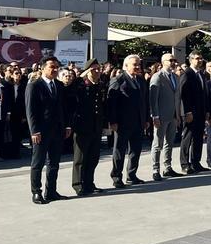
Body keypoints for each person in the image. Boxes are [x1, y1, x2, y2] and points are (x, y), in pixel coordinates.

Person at [25, 56, 71, 204]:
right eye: (52, 66)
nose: (55, 69)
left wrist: (67, 126)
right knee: (38, 163)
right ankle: (36, 192)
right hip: (41, 131)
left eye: (57, 66)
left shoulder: (58, 85)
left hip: (57, 130)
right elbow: (30, 110)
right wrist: (34, 130)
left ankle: (51, 191)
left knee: (54, 163)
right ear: (42, 67)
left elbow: (64, 108)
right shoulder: (34, 85)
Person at [106, 54, 149, 187]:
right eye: (134, 65)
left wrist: (146, 119)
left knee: (135, 150)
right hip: (122, 123)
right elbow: (111, 102)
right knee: (119, 150)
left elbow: (145, 102)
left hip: (138, 121)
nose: (137, 67)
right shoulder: (118, 80)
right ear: (126, 66)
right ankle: (116, 176)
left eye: (138, 64)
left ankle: (131, 175)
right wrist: (113, 121)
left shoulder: (141, 80)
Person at [71, 59, 107, 196]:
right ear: (88, 71)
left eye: (99, 69)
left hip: (96, 127)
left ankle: (89, 183)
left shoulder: (100, 84)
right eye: (94, 69)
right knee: (80, 158)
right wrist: (81, 75)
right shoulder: (81, 85)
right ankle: (78, 184)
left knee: (93, 157)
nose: (98, 71)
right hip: (82, 127)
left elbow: (102, 106)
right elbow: (71, 89)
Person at [149, 53, 181, 182]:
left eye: (175, 60)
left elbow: (177, 98)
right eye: (171, 60)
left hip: (173, 115)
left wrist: (178, 115)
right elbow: (153, 99)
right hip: (161, 116)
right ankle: (155, 169)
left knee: (170, 143)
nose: (173, 62)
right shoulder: (157, 77)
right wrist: (155, 116)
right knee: (158, 144)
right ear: (163, 62)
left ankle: (167, 167)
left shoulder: (175, 77)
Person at [179, 51, 208, 174]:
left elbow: (204, 94)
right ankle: (185, 164)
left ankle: (196, 162)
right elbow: (184, 95)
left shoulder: (201, 74)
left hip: (201, 112)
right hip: (191, 112)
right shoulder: (187, 74)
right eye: (197, 58)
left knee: (198, 138)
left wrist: (206, 111)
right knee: (188, 137)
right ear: (191, 60)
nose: (200, 60)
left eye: (201, 58)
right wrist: (187, 111)